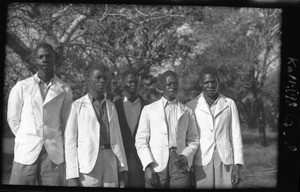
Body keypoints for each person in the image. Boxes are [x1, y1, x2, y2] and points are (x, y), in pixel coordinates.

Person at [7, 42, 73, 185]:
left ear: (54, 58)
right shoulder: (21, 87)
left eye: (48, 56)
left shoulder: (65, 89)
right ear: (35, 60)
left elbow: (67, 122)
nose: (45, 59)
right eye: (40, 56)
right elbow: (13, 119)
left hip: (53, 154)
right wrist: (27, 136)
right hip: (26, 151)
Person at [64, 64, 128, 187]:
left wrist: (122, 169)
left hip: (110, 159)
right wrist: (72, 175)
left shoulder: (111, 106)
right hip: (87, 162)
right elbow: (70, 142)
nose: (102, 80)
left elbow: (118, 140)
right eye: (98, 77)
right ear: (89, 79)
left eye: (105, 78)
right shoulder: (77, 106)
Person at [135, 70, 199, 189]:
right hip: (156, 163)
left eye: (175, 84)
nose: (173, 87)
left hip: (179, 161)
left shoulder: (187, 111)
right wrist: (148, 166)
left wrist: (185, 156)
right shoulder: (149, 110)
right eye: (169, 84)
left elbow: (193, 139)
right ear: (161, 87)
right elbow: (141, 141)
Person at [186, 66, 244, 189]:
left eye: (213, 81)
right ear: (200, 83)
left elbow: (236, 135)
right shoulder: (191, 106)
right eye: (206, 82)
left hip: (225, 159)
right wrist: (189, 165)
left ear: (218, 81)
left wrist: (238, 165)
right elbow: (190, 139)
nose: (210, 85)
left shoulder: (229, 103)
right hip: (201, 160)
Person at [114, 69, 145, 188]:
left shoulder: (147, 106)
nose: (133, 84)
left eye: (136, 82)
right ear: (123, 84)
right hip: (120, 160)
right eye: (130, 82)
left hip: (140, 162)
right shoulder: (114, 107)